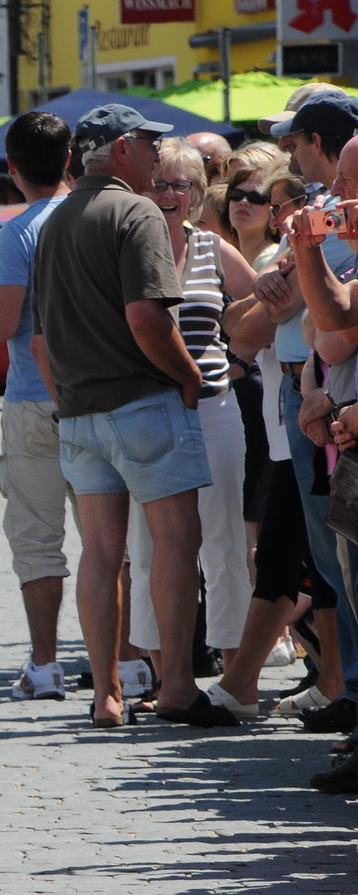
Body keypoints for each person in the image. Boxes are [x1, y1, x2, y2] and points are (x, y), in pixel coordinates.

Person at [31, 104, 230, 728]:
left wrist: (67, 398)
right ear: (120, 149)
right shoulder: (136, 211)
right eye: (147, 143)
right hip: (141, 401)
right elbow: (148, 320)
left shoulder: (55, 220)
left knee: (100, 552)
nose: (154, 154)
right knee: (177, 541)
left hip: (79, 412)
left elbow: (39, 340)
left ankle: (106, 695)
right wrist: (190, 376)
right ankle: (175, 686)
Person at [124, 139, 256, 712]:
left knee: (224, 539)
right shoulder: (128, 250)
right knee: (148, 545)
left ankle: (231, 670)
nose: (170, 195)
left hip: (214, 409)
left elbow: (265, 304)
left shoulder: (212, 249)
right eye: (160, 184)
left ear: (200, 196)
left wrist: (241, 360)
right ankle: (165, 672)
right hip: (150, 413)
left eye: (182, 185)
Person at [252, 93, 358, 737]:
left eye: (347, 183)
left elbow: (338, 325)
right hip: (325, 406)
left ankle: (345, 693)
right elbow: (330, 330)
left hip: (338, 410)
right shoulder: (329, 225)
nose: (334, 192)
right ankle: (347, 697)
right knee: (336, 564)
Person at [0, 112, 74, 701]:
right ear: (69, 161)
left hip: (33, 398)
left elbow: (6, 319)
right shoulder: (99, 216)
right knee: (110, 540)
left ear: (13, 170)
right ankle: (128, 659)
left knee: (39, 538)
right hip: (97, 394)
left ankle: (45, 665)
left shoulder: (18, 231)